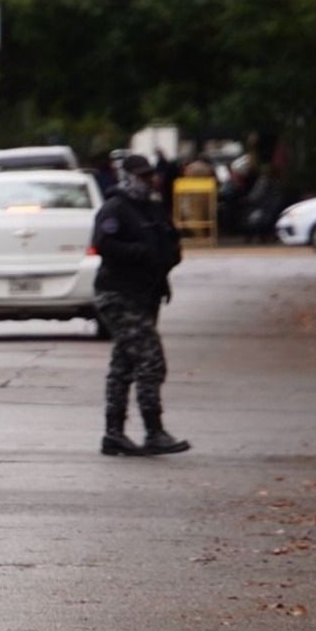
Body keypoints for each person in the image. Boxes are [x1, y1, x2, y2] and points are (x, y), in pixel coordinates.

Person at [91, 154, 190, 457]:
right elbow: (104, 244)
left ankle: (114, 434)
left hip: (146, 295)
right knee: (150, 360)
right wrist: (141, 253)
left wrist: (164, 261)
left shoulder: (153, 209)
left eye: (150, 176)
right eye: (142, 176)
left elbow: (170, 245)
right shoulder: (116, 209)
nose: (148, 181)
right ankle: (154, 431)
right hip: (118, 294)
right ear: (127, 177)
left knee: (124, 364)